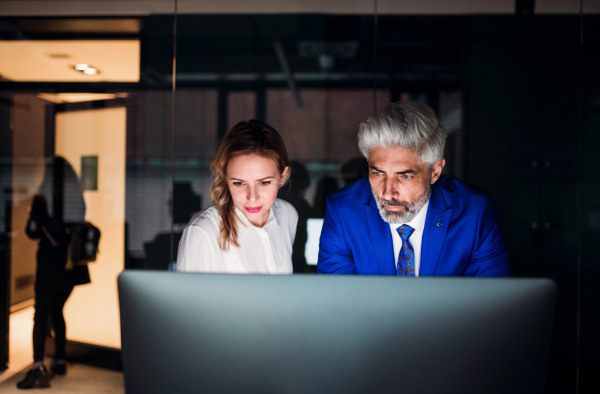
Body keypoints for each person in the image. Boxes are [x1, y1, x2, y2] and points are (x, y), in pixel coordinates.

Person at [317, 101, 509, 276]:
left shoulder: (475, 213)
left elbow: (488, 303)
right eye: (378, 173)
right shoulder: (343, 212)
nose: (387, 192)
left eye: (405, 176)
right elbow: (338, 300)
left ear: (434, 172)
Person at [176, 120, 297, 274]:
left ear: (282, 176)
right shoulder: (203, 232)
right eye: (239, 183)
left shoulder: (288, 215)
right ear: (226, 178)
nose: (252, 197)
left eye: (264, 182)